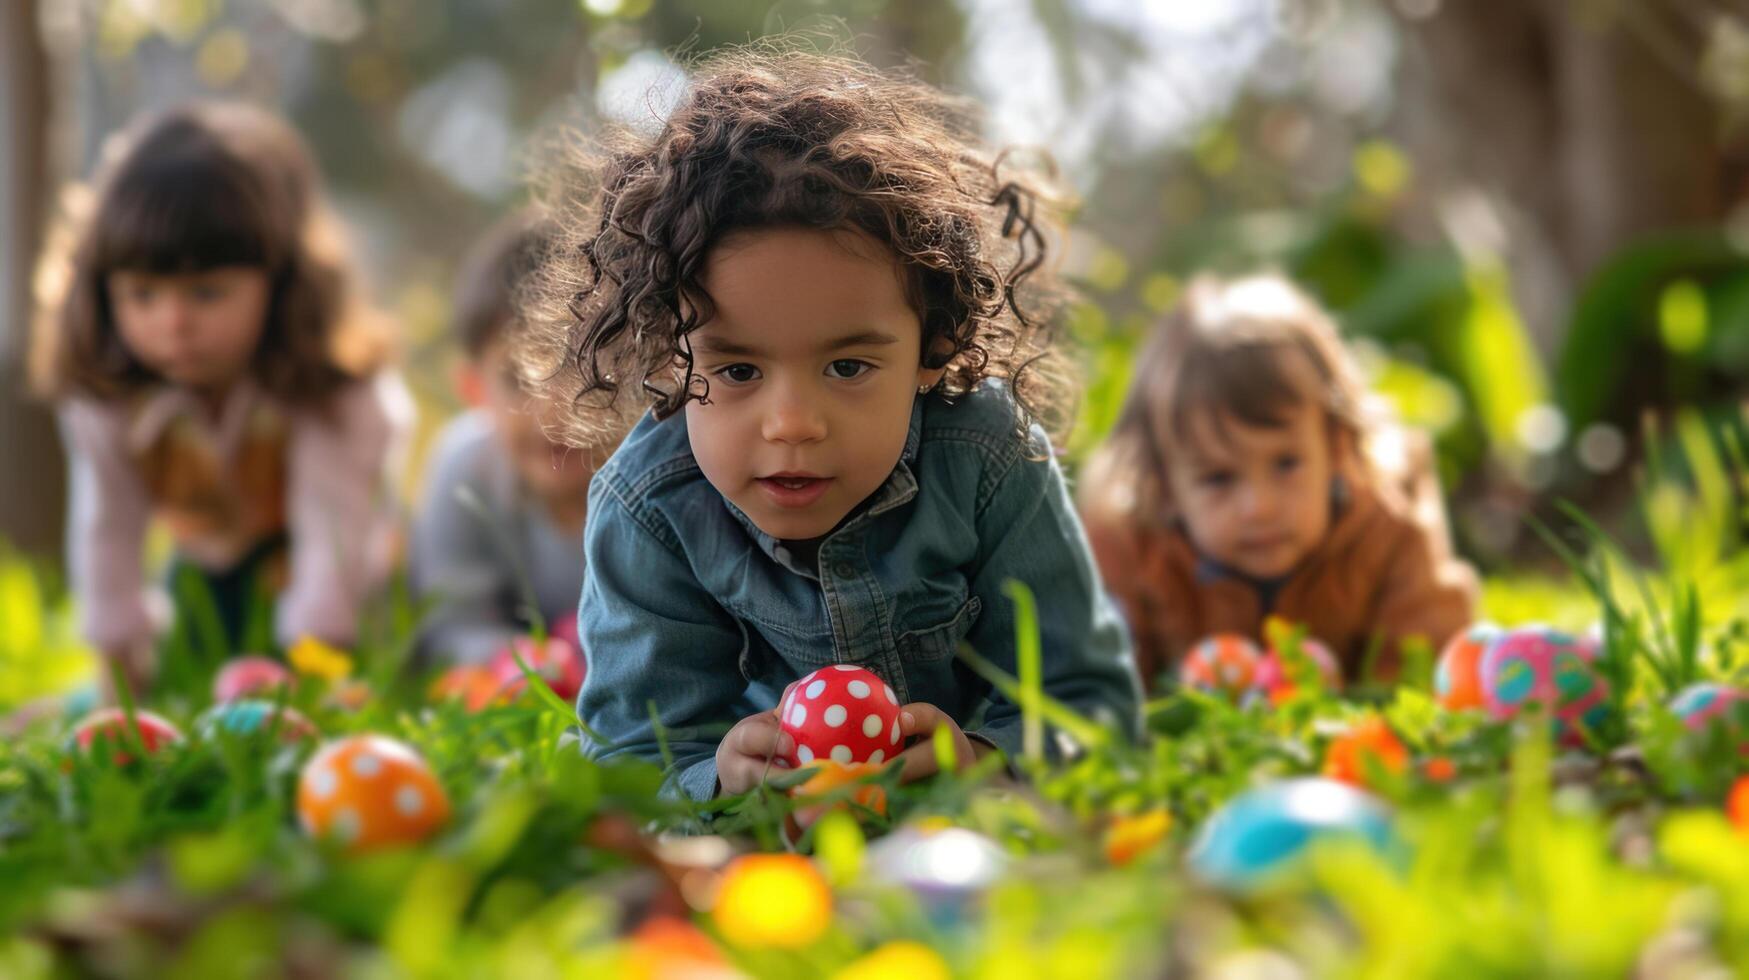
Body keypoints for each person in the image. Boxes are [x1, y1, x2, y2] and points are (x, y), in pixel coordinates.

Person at [519, 47, 1141, 801]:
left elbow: (1089, 705)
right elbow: (627, 763)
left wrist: (977, 761)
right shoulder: (649, 508)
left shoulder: (989, 457)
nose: (792, 425)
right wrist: (718, 781)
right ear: (666, 357)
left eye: (847, 367)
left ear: (932, 348)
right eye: (738, 371)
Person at [32, 102, 410, 696]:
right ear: (102, 289)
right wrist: (117, 671)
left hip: (349, 590)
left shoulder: (333, 391)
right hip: (207, 573)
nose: (173, 323)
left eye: (207, 292)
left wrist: (312, 677)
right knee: (176, 682)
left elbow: (334, 528)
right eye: (142, 294)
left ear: (280, 279)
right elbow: (106, 525)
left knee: (336, 679)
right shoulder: (108, 394)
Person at [1078, 274, 1477, 693]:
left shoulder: (1388, 521)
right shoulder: (1130, 548)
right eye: (1218, 478)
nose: (1260, 506)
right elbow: (1100, 686)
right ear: (1165, 486)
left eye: (1286, 463)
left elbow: (1427, 664)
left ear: (1337, 445)